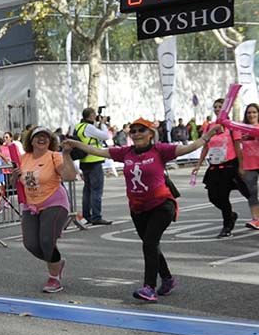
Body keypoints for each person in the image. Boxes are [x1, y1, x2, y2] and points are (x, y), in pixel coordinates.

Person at [66, 118, 217, 301]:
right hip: (138, 208)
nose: (136, 134)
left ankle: (149, 288)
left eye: (141, 131)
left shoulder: (160, 150)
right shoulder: (125, 152)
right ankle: (168, 279)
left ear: (150, 134)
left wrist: (207, 136)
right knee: (150, 245)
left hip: (162, 205)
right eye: (134, 131)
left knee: (149, 243)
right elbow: (98, 151)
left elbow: (188, 148)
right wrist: (74, 143)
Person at [16, 128, 77, 293]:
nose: (42, 139)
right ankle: (57, 262)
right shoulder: (23, 158)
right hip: (31, 205)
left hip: (54, 202)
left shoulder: (54, 156)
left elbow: (70, 175)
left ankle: (54, 278)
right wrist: (14, 177)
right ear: (31, 140)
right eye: (38, 136)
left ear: (50, 141)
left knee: (46, 241)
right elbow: (20, 181)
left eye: (46, 137)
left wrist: (66, 154)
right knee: (31, 244)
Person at [193, 97, 249, 237]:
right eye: (215, 107)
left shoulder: (232, 126)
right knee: (213, 196)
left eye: (220, 106)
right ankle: (231, 215)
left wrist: (241, 166)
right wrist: (198, 164)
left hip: (229, 165)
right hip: (214, 165)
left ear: (226, 108)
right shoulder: (209, 126)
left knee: (224, 196)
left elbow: (238, 147)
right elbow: (206, 146)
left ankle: (227, 226)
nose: (217, 109)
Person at [73, 107, 114, 226]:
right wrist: (102, 124)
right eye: (94, 115)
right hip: (94, 159)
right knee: (96, 190)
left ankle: (87, 215)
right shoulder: (89, 127)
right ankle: (96, 216)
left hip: (84, 160)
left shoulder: (78, 126)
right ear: (91, 116)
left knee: (87, 190)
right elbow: (106, 136)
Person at [234, 103, 259, 230]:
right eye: (249, 112)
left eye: (254, 112)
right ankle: (256, 219)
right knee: (252, 193)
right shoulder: (240, 128)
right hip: (249, 165)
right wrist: (240, 166)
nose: (252, 115)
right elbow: (238, 148)